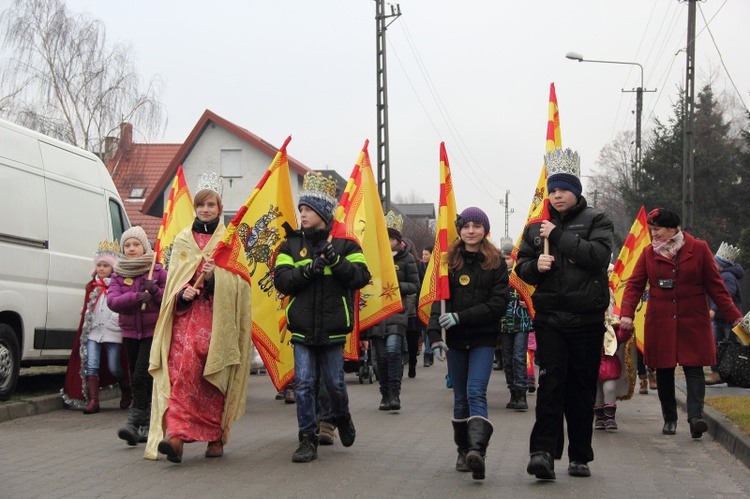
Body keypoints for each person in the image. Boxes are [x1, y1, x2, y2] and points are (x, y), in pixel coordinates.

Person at [516, 147, 614, 480]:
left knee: (581, 387)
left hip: (586, 320)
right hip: (550, 319)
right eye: (553, 190)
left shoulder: (597, 220)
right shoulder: (534, 228)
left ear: (575, 191)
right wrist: (535, 266)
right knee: (551, 383)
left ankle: (580, 456)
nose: (557, 196)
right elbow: (521, 268)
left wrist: (557, 236)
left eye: (563, 190)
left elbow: (597, 256)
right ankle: (542, 452)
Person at [144, 172, 253, 463]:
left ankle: (214, 436)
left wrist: (216, 278)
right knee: (180, 373)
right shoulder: (182, 239)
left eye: (211, 205)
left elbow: (242, 285)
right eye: (201, 204)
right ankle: (176, 437)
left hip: (216, 322)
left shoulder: (229, 242)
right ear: (195, 206)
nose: (206, 209)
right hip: (184, 322)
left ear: (220, 208)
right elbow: (172, 283)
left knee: (213, 375)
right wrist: (181, 293)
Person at [273, 172, 371, 463]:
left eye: (308, 209)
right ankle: (307, 438)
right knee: (303, 384)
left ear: (323, 213)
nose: (302, 214)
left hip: (333, 327)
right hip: (302, 329)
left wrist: (335, 260)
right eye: (301, 209)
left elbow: (361, 277)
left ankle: (342, 416)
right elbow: (282, 280)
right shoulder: (290, 245)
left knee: (336, 384)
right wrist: (308, 270)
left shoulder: (347, 245)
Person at [620, 208, 742, 438]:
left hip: (692, 320)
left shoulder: (699, 249)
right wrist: (627, 313)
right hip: (661, 320)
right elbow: (635, 285)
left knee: (694, 368)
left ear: (673, 228)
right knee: (664, 370)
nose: (653, 234)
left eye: (658, 230)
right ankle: (670, 418)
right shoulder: (648, 253)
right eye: (651, 230)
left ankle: (696, 418)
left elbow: (717, 287)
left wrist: (734, 315)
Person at [427, 207, 510, 481]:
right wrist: (436, 337)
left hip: (483, 339)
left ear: (485, 231)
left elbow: (498, 305)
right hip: (456, 342)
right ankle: (463, 451)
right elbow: (438, 303)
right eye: (466, 226)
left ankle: (478, 450)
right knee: (460, 397)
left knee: (476, 391)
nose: (471, 231)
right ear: (459, 230)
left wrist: (460, 317)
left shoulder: (496, 263)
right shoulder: (447, 262)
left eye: (477, 226)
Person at [107, 226, 167, 446]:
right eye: (127, 245)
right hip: (130, 333)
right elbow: (112, 302)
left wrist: (156, 291)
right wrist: (136, 296)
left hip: (152, 332)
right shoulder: (119, 273)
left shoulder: (157, 271)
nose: (132, 249)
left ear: (145, 247)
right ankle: (147, 424)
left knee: (142, 375)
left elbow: (170, 300)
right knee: (137, 378)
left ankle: (133, 423)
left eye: (136, 244)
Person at [62, 240, 130, 414]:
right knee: (91, 364)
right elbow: (87, 307)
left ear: (113, 267)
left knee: (115, 366)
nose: (101, 268)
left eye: (105, 265)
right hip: (93, 332)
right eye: (99, 265)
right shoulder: (92, 287)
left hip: (112, 332)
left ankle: (126, 389)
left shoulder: (119, 286)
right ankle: (93, 401)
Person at [363, 211, 420, 411]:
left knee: (393, 351)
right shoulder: (372, 259)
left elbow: (414, 286)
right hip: (377, 314)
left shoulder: (407, 259)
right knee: (380, 357)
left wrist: (394, 286)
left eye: (390, 238)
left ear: (397, 240)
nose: (387, 242)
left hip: (397, 312)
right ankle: (384, 393)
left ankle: (395, 393)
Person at [499, 243, 531, 411]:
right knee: (507, 358)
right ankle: (512, 391)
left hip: (522, 321)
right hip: (504, 322)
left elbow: (534, 292)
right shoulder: (498, 276)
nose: (505, 262)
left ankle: (521, 393)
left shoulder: (523, 274)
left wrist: (529, 302)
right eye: (502, 259)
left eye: (508, 259)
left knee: (519, 356)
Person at [706, 242, 743, 385]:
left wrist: (714, 310)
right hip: (724, 318)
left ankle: (723, 373)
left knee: (725, 347)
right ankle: (720, 373)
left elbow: (725, 295)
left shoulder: (727, 276)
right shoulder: (724, 275)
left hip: (727, 318)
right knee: (722, 346)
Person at [403, 237, 424, 378]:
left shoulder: (418, 264)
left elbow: (421, 284)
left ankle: (412, 362)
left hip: (412, 305)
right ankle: (404, 362)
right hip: (396, 302)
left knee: (411, 337)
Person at [421, 246, 435, 367]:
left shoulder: (434, 268)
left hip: (432, 302)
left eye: (426, 254)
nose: (424, 257)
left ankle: (428, 353)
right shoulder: (419, 267)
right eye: (423, 254)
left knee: (428, 328)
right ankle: (428, 351)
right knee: (423, 331)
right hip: (421, 301)